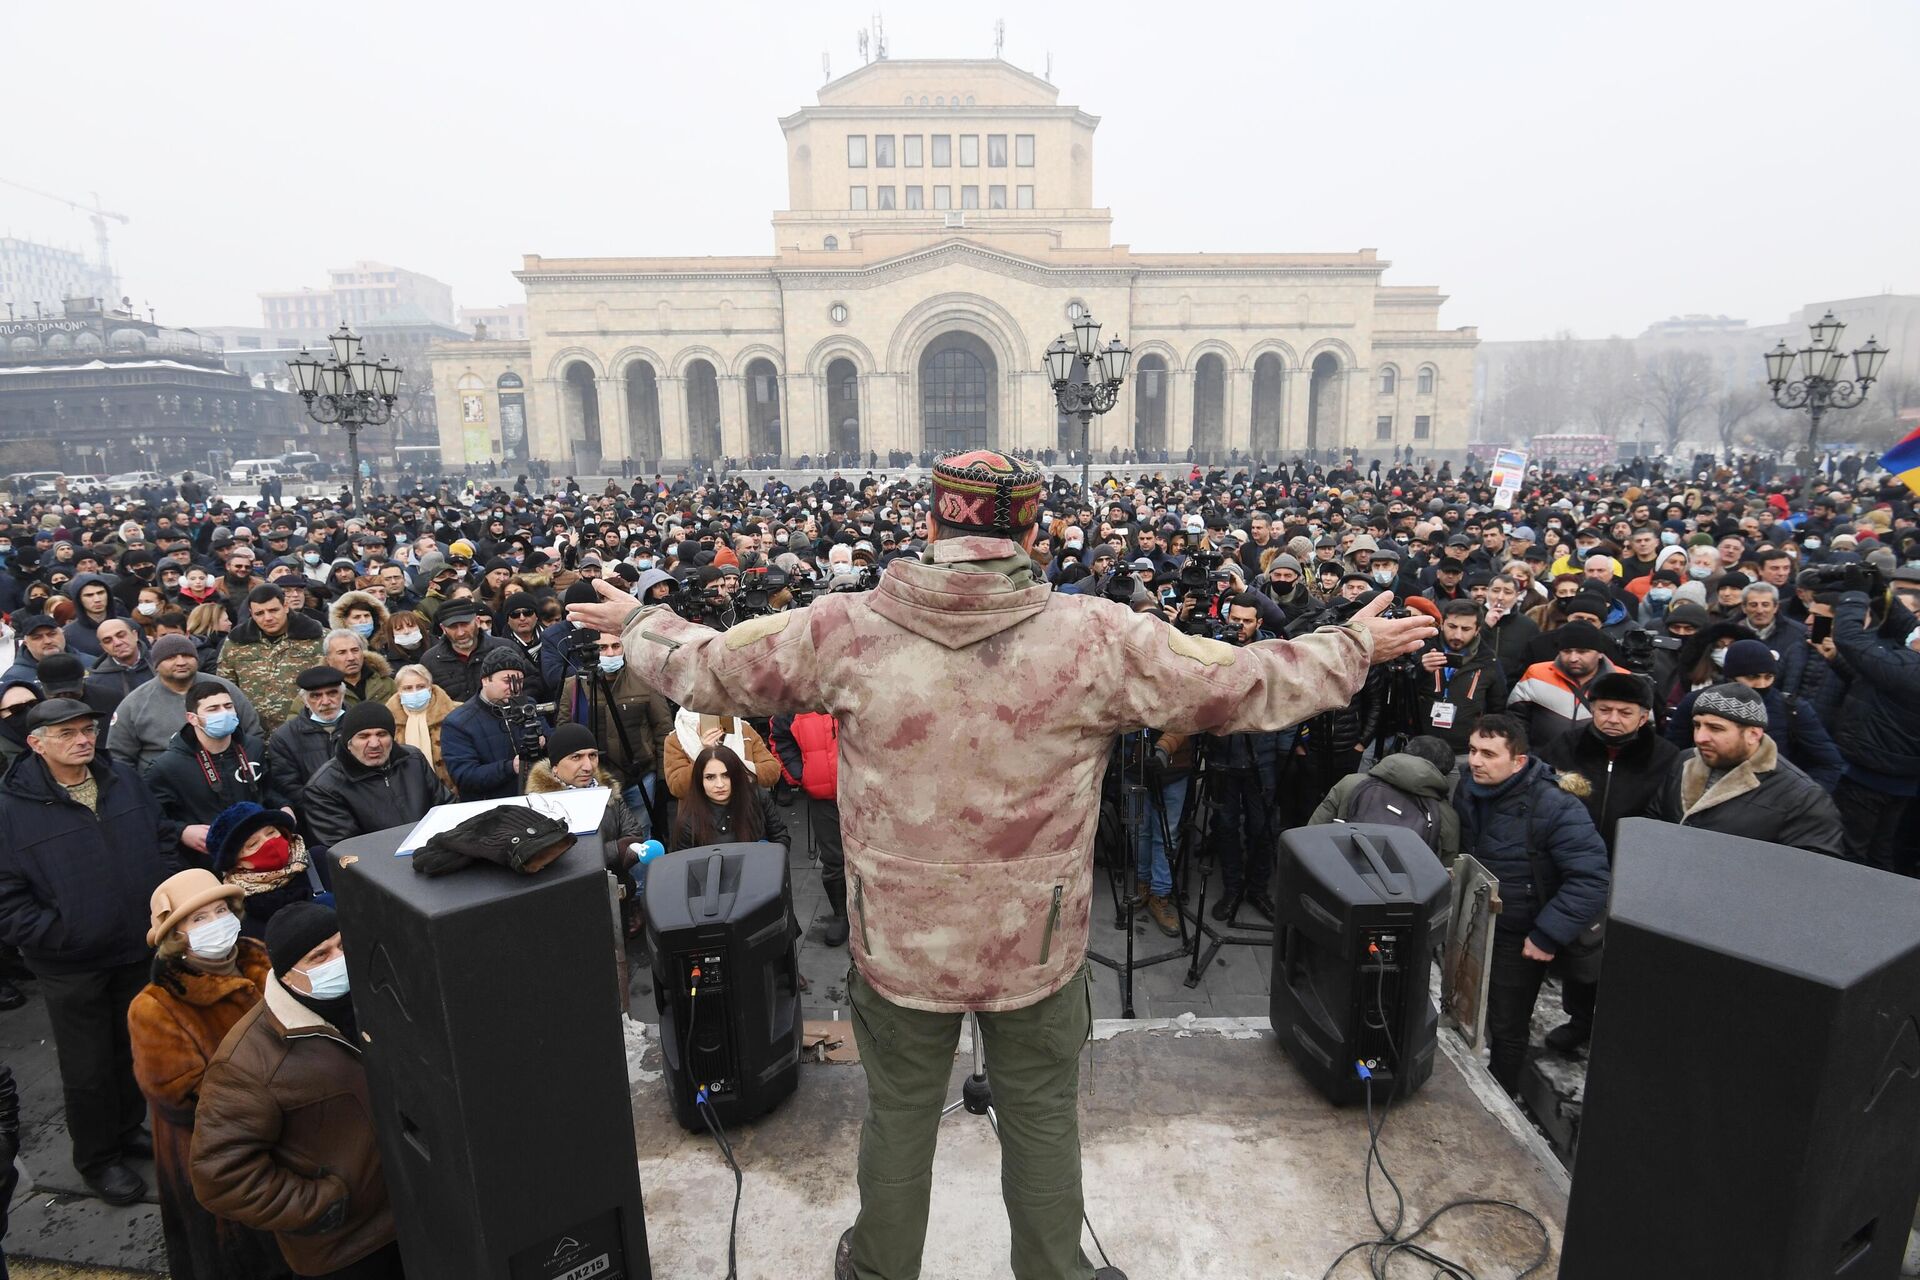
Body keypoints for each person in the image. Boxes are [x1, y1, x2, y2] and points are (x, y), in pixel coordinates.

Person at [569, 447, 1432, 1280]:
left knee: (899, 1121)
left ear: (930, 522)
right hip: (1038, 948)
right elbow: (1242, 682)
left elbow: (710, 669)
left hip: (900, 946)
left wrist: (641, 621)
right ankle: (1053, 1271)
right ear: (1031, 533)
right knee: (1045, 1120)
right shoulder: (1096, 637)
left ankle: (879, 1268)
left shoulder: (843, 629)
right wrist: (1349, 647)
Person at [0, 698, 173, 1204]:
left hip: (134, 945)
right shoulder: (11, 808)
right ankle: (97, 1159)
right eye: (67, 733)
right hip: (70, 962)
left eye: (87, 728)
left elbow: (160, 836)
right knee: (88, 1067)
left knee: (132, 1050)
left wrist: (158, 894)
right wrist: (62, 932)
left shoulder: (121, 779)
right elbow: (6, 897)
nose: (83, 738)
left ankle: (126, 1130)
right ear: (36, 744)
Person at [190, 904, 404, 1279]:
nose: (337, 960)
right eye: (319, 955)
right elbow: (218, 1177)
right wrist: (324, 1205)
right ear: (287, 975)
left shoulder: (374, 994)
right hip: (347, 1249)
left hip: (411, 1213)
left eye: (341, 945)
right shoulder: (247, 1062)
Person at [126, 869, 291, 1280]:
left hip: (292, 1139)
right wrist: (278, 1097)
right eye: (199, 919)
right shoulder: (155, 1006)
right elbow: (181, 1098)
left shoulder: (261, 959)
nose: (217, 923)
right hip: (223, 1159)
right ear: (176, 936)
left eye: (221, 910)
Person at [1453, 714, 1610, 1094]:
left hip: (1519, 936)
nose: (1475, 761)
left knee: (1507, 1025)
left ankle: (1502, 1098)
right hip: (1474, 924)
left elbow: (1590, 878)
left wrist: (1546, 935)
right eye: (1473, 750)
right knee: (1465, 1010)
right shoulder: (1467, 789)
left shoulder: (1556, 806)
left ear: (1518, 761)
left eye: (1488, 754)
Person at [1535, 671, 1677, 1054]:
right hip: (1573, 866)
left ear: (1643, 716)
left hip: (1635, 871)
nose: (1613, 718)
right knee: (1582, 952)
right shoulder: (1567, 744)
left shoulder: (1666, 758)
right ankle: (1580, 1019)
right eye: (1604, 709)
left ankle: (1619, 1026)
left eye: (1624, 712)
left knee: (1626, 957)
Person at [1649, 682, 1844, 858]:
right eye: (1697, 725)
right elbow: (1652, 821)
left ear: (1753, 734)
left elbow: (1810, 874)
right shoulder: (1684, 761)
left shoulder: (1803, 798)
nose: (1700, 737)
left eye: (1715, 728)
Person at [1824, 583, 1920, 875]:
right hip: (1899, 778)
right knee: (1881, 851)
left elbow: (1849, 638)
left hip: (1871, 777)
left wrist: (1855, 594)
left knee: (1852, 852)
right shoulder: (1906, 667)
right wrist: (1878, 589)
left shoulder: (1908, 670)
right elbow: (1906, 627)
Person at [524, 725, 648, 921]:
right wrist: (616, 850)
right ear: (555, 766)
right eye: (576, 757)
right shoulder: (538, 805)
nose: (588, 766)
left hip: (616, 896)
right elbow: (559, 858)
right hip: (569, 906)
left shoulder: (607, 792)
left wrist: (595, 853)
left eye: (593, 755)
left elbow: (634, 835)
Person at [144, 683, 273, 868]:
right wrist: (182, 831)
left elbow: (268, 791)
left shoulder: (253, 747)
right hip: (208, 861)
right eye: (213, 709)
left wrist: (284, 806)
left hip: (258, 852)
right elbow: (151, 818)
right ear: (192, 718)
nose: (224, 713)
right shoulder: (167, 767)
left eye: (228, 707)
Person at [554, 629, 672, 828]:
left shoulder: (644, 680)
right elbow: (564, 733)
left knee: (640, 834)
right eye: (602, 647)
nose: (610, 653)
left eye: (616, 646)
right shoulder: (574, 686)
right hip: (593, 779)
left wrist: (663, 777)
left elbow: (663, 729)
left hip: (640, 776)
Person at [302, 702, 454, 850]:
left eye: (382, 734)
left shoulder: (412, 759)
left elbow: (446, 808)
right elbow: (347, 850)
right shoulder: (324, 787)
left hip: (434, 853)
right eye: (364, 736)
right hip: (377, 869)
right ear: (349, 743)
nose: (374, 743)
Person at [106, 634, 265, 774]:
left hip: (230, 773)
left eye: (187, 655)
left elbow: (252, 732)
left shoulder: (224, 689)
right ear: (156, 664)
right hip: (165, 785)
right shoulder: (134, 703)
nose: (181, 662)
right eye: (171, 658)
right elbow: (119, 757)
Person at [1310, 735, 1462, 864]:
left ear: (1403, 753)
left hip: (1339, 878)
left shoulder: (1351, 783)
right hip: (1403, 895)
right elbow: (1445, 873)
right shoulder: (1447, 816)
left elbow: (1311, 833)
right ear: (1444, 774)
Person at [771, 710, 848, 944]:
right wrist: (801, 774)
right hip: (823, 796)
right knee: (834, 859)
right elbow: (780, 736)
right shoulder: (797, 700)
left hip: (868, 793)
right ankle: (841, 914)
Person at [440, 648, 549, 801]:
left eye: (519, 681)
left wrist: (545, 741)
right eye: (507, 681)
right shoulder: (458, 723)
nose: (514, 687)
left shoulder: (528, 705)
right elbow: (465, 776)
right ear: (485, 680)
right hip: (491, 807)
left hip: (537, 796)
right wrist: (511, 767)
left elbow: (550, 740)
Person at [219, 585, 324, 734]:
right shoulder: (236, 643)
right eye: (259, 613)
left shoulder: (317, 638)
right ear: (251, 613)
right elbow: (225, 687)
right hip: (254, 733)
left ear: (286, 606)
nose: (267, 618)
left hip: (306, 732)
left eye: (273, 610)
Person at [207, 803, 320, 939]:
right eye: (253, 844)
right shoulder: (238, 907)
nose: (269, 842)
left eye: (271, 832)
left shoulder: (319, 859)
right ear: (238, 863)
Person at [1507, 621, 1617, 755]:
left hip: (1597, 766)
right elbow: (1515, 718)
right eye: (1567, 651)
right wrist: (1524, 753)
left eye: (1582, 652)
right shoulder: (1536, 674)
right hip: (1542, 764)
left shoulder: (1622, 680)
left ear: (1600, 653)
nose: (1573, 658)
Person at [1413, 600, 1508, 755]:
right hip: (1419, 744)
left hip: (1464, 751)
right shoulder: (1421, 650)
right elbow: (1400, 696)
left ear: (1477, 630)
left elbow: (1497, 707)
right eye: (1452, 627)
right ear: (1442, 624)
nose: (1457, 635)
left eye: (1466, 629)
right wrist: (1420, 670)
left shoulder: (1488, 661)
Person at [670, 744, 789, 851]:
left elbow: (780, 837)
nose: (720, 784)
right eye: (710, 777)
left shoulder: (758, 797)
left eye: (726, 775)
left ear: (737, 775)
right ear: (699, 780)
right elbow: (683, 864)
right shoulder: (688, 819)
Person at [268, 667, 349, 816]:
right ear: (305, 701)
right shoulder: (285, 737)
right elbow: (288, 786)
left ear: (342, 695)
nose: (325, 702)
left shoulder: (362, 726)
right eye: (316, 696)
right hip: (316, 816)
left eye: (332, 693)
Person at [661, 705, 780, 799]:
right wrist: (703, 754)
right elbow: (678, 788)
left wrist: (739, 766)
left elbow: (772, 772)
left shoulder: (743, 729)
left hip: (744, 810)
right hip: (700, 817)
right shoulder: (676, 738)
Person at [386, 664, 459, 795]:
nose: (415, 692)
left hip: (454, 792)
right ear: (399, 692)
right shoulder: (387, 722)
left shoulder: (457, 713)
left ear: (430, 688)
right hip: (408, 795)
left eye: (420, 687)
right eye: (407, 688)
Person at [419, 599, 508, 703]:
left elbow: (527, 685)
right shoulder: (430, 661)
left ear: (477, 621)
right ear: (443, 628)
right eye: (453, 627)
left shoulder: (505, 650)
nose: (460, 633)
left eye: (465, 624)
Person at [321, 629, 396, 708]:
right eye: (342, 653)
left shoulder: (387, 683)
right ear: (328, 659)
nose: (351, 657)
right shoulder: (319, 691)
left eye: (355, 650)